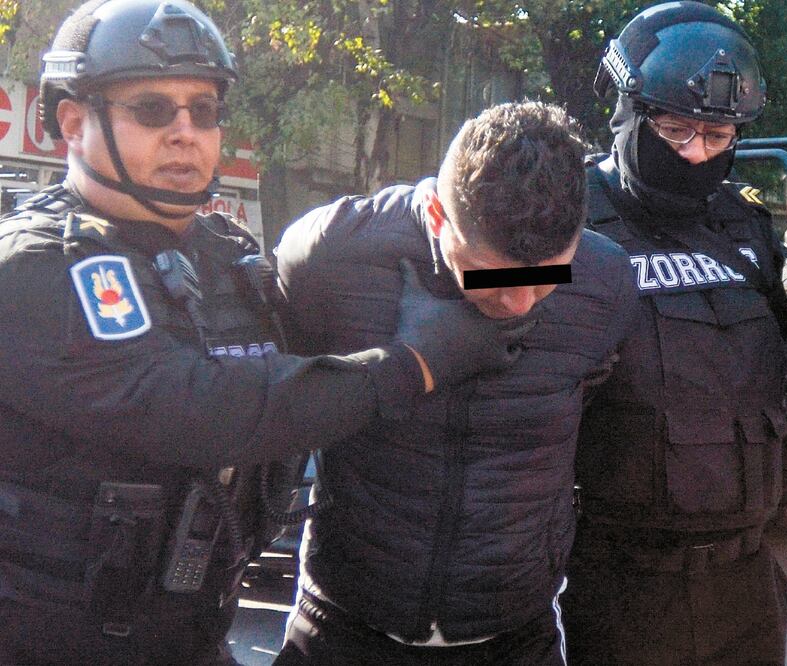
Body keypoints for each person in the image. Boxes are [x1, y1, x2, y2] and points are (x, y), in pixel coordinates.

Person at [0, 1, 532, 664]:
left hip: (196, 639)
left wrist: (478, 274)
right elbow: (199, 409)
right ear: (74, 123)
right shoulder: (35, 267)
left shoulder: (226, 256)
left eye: (205, 109)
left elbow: (310, 372)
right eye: (152, 110)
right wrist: (414, 364)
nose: (185, 132)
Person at [271, 100, 638, 666]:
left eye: (546, 280)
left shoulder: (606, 280)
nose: (519, 303)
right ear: (440, 218)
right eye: (494, 274)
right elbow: (281, 404)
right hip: (345, 623)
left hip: (515, 635)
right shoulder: (328, 257)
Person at [563, 3, 787, 664]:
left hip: (746, 588)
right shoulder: (562, 221)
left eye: (718, 138)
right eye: (675, 130)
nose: (696, 153)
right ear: (629, 115)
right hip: (614, 590)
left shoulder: (745, 228)